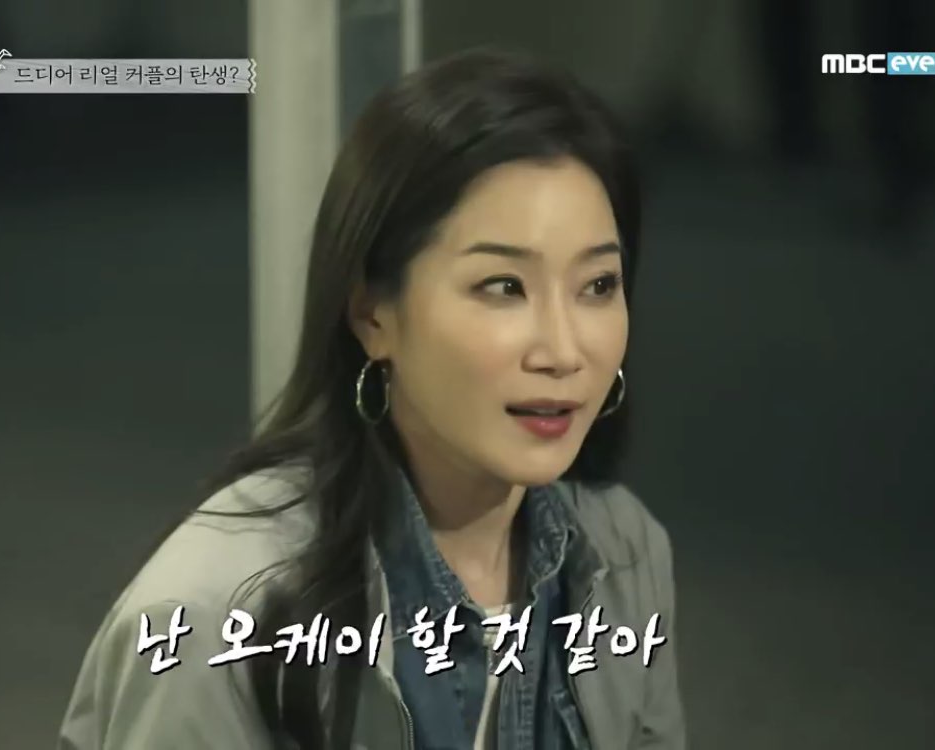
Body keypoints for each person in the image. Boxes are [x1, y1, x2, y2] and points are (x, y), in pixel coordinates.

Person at [58, 47, 685, 750]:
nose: (564, 351)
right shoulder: (212, 619)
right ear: (371, 312)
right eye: (504, 287)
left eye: (597, 286)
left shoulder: (622, 553)